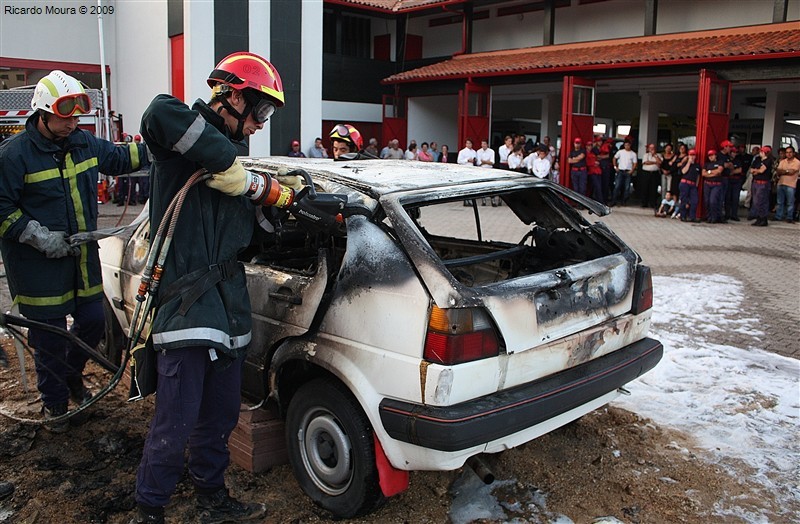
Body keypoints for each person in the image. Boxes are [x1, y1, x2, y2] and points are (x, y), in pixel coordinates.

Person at [131, 52, 293, 523]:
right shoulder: (181, 142)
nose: (261, 125)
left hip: (229, 308)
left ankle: (211, 498)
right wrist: (236, 173)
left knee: (219, 418)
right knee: (174, 424)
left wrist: (282, 198)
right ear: (233, 97)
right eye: (260, 112)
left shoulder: (235, 169)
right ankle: (150, 507)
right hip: (186, 307)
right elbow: (156, 113)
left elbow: (253, 231)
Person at [0, 70, 148, 433]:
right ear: (42, 114)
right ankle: (54, 407)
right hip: (38, 268)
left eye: (76, 116)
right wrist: (36, 235)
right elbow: (1, 208)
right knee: (49, 337)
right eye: (64, 117)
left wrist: (167, 145)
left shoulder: (83, 143)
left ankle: (71, 379)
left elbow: (120, 158)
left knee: (93, 322)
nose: (72, 123)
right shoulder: (15, 155)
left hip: (81, 261)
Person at [773, 145, 799, 223]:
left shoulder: (797, 162)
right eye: (787, 152)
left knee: (790, 202)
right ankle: (778, 216)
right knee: (779, 202)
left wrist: (783, 171)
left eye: (790, 152)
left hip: (791, 184)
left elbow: (792, 172)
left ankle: (789, 217)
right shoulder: (782, 161)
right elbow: (778, 171)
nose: (788, 154)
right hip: (781, 183)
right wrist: (787, 171)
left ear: (794, 153)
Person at [749, 146, 773, 226]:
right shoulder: (757, 159)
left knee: (762, 201)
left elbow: (762, 170)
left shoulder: (768, 160)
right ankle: (758, 218)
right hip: (755, 182)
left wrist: (757, 170)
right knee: (755, 201)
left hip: (763, 183)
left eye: (761, 151)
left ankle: (763, 218)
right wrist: (757, 171)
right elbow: (751, 170)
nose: (760, 153)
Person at [678, 149, 701, 222]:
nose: (692, 157)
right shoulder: (684, 163)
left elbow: (698, 176)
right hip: (685, 183)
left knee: (695, 200)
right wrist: (688, 162)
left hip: (693, 185)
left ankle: (692, 217)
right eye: (691, 155)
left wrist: (696, 185)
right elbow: (683, 171)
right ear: (688, 156)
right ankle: (683, 216)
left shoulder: (697, 166)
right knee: (684, 200)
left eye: (693, 155)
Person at [612, 140, 637, 206]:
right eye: (625, 145)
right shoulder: (620, 152)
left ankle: (624, 201)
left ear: (630, 145)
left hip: (628, 171)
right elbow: (614, 158)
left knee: (627, 188)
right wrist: (615, 167)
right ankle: (614, 201)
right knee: (617, 186)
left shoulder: (633, 154)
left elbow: (635, 163)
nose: (627, 146)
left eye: (628, 145)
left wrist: (632, 170)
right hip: (620, 170)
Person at [703, 149, 725, 223]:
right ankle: (709, 217)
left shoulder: (720, 162)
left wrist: (709, 172)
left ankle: (714, 217)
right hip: (707, 184)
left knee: (713, 201)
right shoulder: (706, 164)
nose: (711, 157)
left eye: (712, 155)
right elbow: (703, 174)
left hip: (716, 185)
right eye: (709, 156)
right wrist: (713, 173)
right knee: (707, 201)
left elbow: (719, 171)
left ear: (715, 155)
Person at [639, 143, 661, 208]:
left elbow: (660, 162)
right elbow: (645, 162)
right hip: (646, 173)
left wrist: (655, 156)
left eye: (653, 148)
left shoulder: (658, 155)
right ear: (648, 149)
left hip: (654, 173)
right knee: (645, 188)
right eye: (650, 148)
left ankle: (653, 203)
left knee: (653, 188)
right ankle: (644, 203)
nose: (652, 149)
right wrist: (655, 162)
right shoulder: (645, 155)